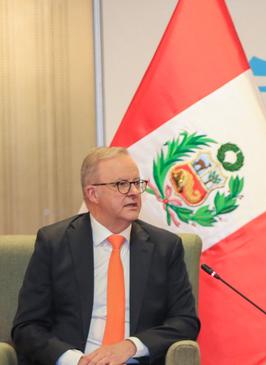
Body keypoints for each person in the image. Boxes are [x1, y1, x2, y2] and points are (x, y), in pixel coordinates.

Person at [12, 147, 200, 365]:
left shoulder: (165, 247)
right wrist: (76, 360)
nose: (133, 192)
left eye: (137, 183)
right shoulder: (54, 242)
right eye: (121, 184)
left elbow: (185, 321)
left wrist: (131, 346)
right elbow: (27, 327)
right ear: (93, 194)